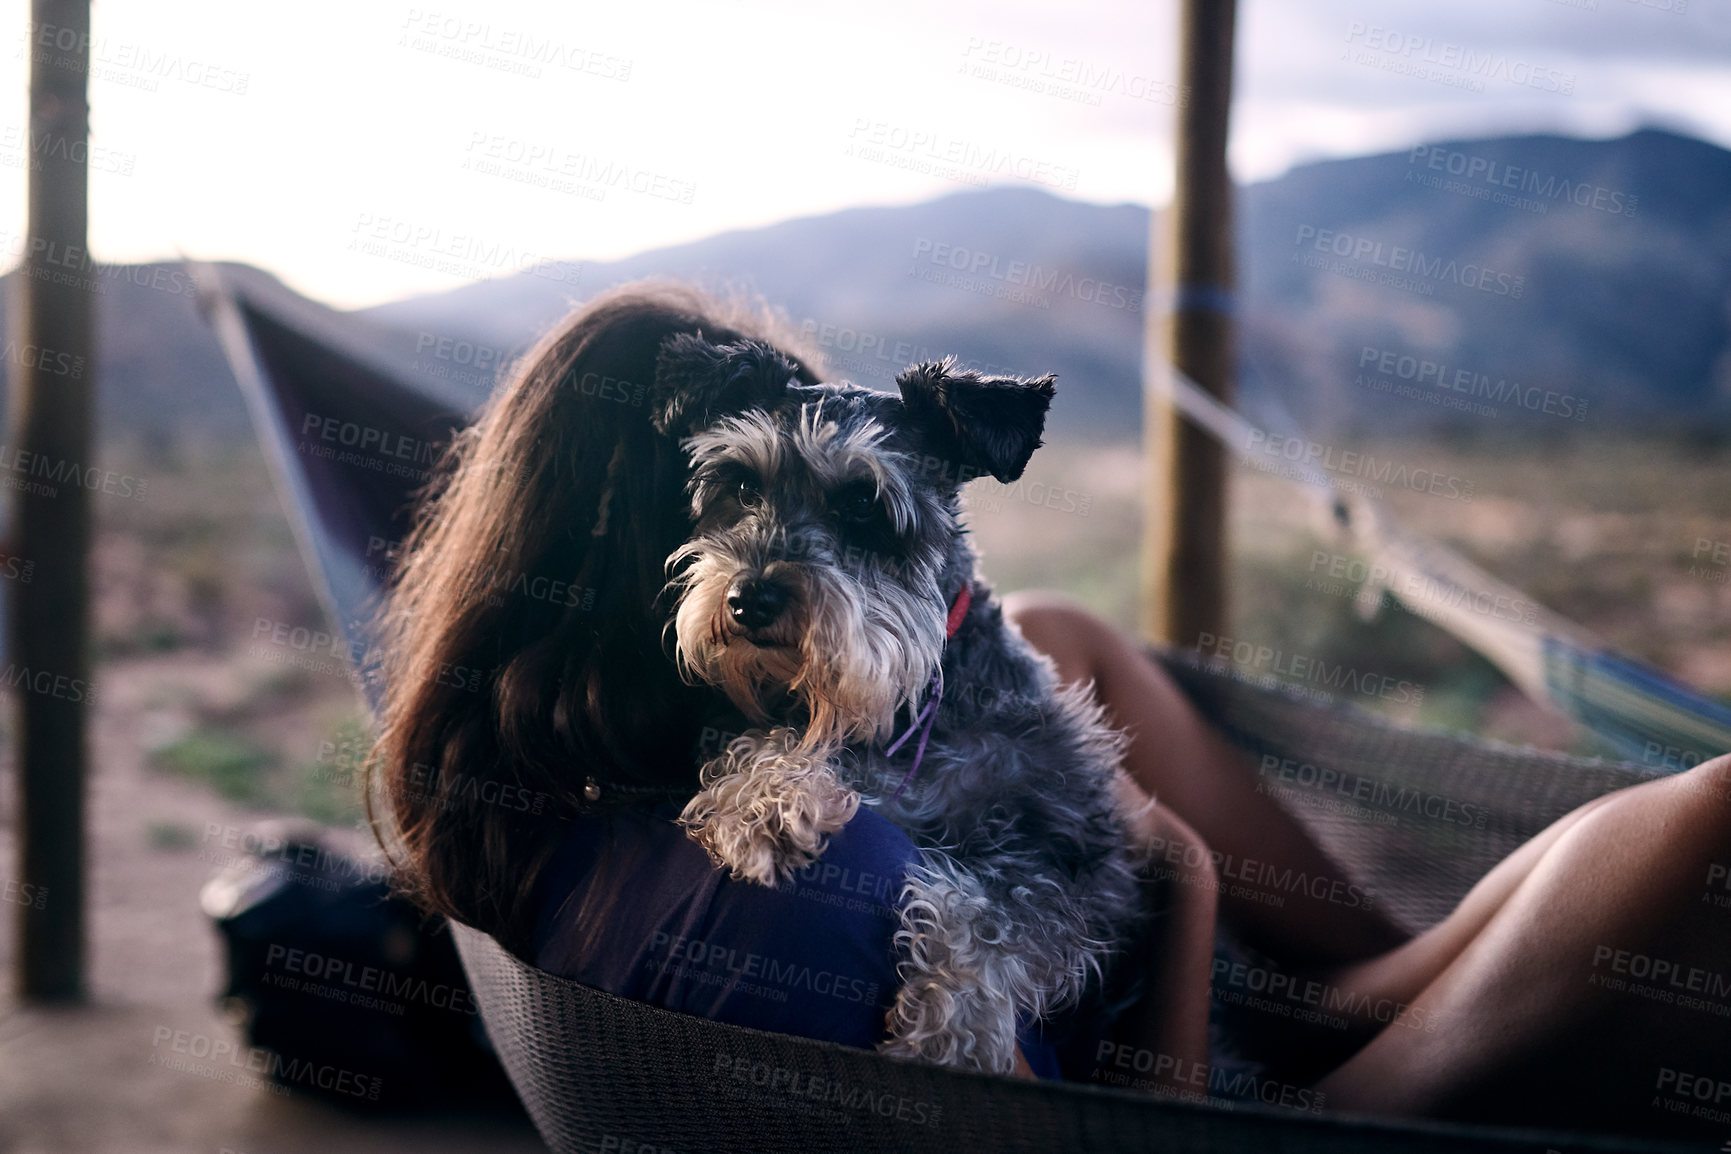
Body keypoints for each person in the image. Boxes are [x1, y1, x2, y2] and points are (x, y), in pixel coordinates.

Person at [371, 284, 1731, 1139]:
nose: (768, 560)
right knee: (1715, 810)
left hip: (1166, 990)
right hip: (1219, 1099)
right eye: (730, 498)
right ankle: (1379, 998)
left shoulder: (538, 773)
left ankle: (1367, 982)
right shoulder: (808, 859)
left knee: (1054, 630)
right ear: (660, 544)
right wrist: (1186, 877)